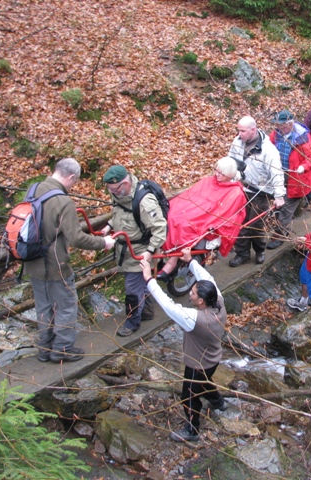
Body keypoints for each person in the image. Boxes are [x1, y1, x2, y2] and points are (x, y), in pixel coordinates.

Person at [26, 158, 116, 363]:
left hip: (32, 262)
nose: (73, 185)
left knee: (44, 307)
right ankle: (62, 349)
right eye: (74, 182)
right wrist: (104, 243)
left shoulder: (33, 190)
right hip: (56, 264)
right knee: (66, 306)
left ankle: (44, 349)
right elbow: (76, 237)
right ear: (71, 177)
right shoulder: (62, 201)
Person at [140, 248, 227, 442]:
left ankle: (192, 429)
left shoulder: (195, 319)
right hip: (213, 359)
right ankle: (218, 402)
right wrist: (190, 261)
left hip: (198, 364)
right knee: (205, 382)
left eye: (194, 293)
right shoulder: (218, 301)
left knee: (188, 395)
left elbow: (168, 306)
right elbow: (207, 277)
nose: (191, 293)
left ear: (201, 300)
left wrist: (148, 279)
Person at [101, 165, 167, 337]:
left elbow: (160, 228)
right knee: (141, 284)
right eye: (110, 189)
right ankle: (146, 311)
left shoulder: (144, 201)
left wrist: (150, 251)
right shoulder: (119, 194)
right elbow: (119, 212)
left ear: (125, 183)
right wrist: (109, 226)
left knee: (132, 289)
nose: (112, 193)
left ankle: (132, 323)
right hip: (125, 249)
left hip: (140, 250)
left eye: (114, 189)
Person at [157, 157, 246, 279]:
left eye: (221, 173)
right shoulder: (210, 180)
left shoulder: (236, 193)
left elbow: (226, 215)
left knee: (185, 226)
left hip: (209, 219)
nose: (217, 175)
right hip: (196, 210)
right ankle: (161, 250)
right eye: (216, 171)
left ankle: (172, 261)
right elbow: (193, 194)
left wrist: (210, 223)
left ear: (230, 174)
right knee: (171, 214)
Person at [227, 116, 286, 267]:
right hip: (241, 188)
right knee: (240, 223)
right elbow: (231, 161)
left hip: (260, 192)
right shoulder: (237, 142)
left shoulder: (268, 150)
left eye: (243, 131)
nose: (240, 134)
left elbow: (276, 172)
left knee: (255, 225)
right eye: (238, 130)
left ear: (253, 130)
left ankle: (259, 251)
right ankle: (243, 254)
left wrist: (279, 195)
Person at [266, 110, 311, 250]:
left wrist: (303, 166)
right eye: (277, 125)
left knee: (287, 209)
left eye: (281, 125)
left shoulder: (302, 138)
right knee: (279, 203)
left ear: (290, 124)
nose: (278, 128)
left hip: (297, 179)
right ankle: (282, 224)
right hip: (280, 174)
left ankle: (280, 236)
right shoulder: (276, 134)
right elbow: (267, 148)